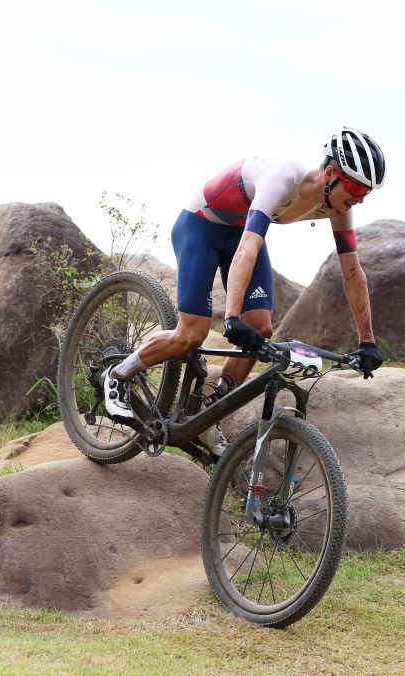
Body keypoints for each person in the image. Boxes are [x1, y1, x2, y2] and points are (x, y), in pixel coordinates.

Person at [103, 126, 386, 454]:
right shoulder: (282, 179)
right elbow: (250, 247)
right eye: (355, 188)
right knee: (191, 335)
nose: (360, 198)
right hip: (201, 225)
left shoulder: (340, 206)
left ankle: (210, 411)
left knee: (261, 328)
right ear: (330, 173)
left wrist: (368, 342)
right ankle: (118, 374)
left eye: (366, 193)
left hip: (238, 234)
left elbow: (352, 272)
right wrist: (232, 316)